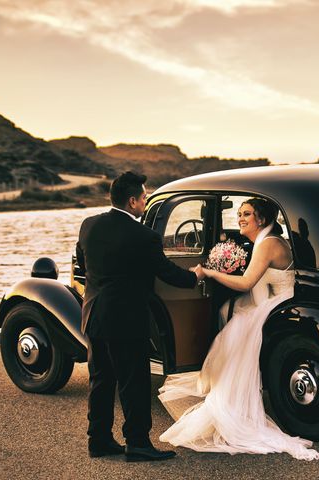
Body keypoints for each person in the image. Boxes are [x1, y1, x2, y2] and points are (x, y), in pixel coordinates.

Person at [158, 198, 319, 461]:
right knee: (227, 314)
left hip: (275, 304)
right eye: (239, 213)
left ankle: (230, 402)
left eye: (247, 214)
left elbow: (246, 283)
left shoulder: (268, 244)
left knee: (235, 331)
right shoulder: (265, 241)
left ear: (262, 220)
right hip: (269, 299)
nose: (240, 218)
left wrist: (210, 273)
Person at [76, 171, 205, 462]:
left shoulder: (89, 225)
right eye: (144, 197)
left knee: (101, 380)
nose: (145, 201)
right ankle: (137, 443)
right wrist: (193, 277)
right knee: (133, 383)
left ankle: (99, 441)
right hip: (126, 320)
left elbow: (83, 264)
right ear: (133, 201)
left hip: (95, 315)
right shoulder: (144, 236)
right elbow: (166, 272)